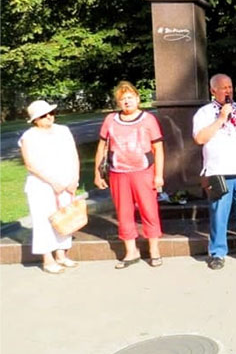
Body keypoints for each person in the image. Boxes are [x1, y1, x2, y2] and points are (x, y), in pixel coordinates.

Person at [193, 74, 236, 270]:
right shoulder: (204, 113)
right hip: (218, 172)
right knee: (219, 214)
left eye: (230, 87)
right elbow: (200, 139)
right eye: (223, 87)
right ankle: (217, 253)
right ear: (213, 90)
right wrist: (221, 118)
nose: (228, 91)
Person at [94, 82, 165, 269]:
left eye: (130, 97)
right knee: (124, 212)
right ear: (118, 102)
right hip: (119, 173)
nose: (126, 101)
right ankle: (131, 251)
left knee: (149, 210)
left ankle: (154, 250)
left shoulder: (148, 119)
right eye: (122, 99)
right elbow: (101, 146)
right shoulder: (110, 119)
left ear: (138, 99)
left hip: (143, 172)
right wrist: (97, 173)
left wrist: (159, 175)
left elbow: (158, 148)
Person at [19, 100, 80, 274]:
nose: (49, 117)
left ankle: (61, 254)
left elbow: (73, 154)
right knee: (44, 221)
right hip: (41, 185)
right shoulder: (28, 136)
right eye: (43, 116)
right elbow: (30, 164)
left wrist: (74, 178)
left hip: (66, 182)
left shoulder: (64, 131)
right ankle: (48, 259)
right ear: (35, 120)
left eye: (51, 114)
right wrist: (52, 182)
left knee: (65, 219)